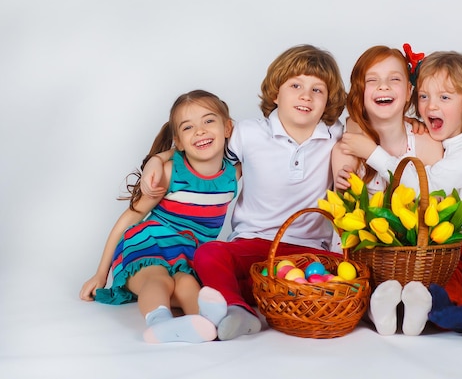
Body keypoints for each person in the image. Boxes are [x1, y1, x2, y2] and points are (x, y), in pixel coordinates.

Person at [141, 44, 347, 340]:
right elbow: (199, 151)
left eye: (318, 90)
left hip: (309, 251)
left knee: (340, 273)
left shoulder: (335, 135)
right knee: (209, 254)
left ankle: (252, 299)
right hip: (253, 243)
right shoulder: (248, 133)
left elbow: (364, 131)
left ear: (327, 102)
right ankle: (238, 310)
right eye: (296, 85)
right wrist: (157, 159)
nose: (306, 95)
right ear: (276, 94)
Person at [339, 49, 462, 338]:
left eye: (444, 98)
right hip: (453, 245)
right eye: (424, 97)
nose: (430, 106)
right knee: (444, 279)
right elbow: (358, 119)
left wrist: (373, 154)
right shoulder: (435, 140)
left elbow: (427, 184)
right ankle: (439, 310)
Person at [79, 90, 241, 344]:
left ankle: (207, 323)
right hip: (148, 243)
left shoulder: (233, 174)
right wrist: (101, 273)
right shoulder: (169, 172)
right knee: (159, 279)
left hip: (188, 252)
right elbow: (130, 218)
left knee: (186, 282)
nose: (200, 131)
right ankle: (160, 324)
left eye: (209, 121)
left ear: (228, 127)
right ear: (178, 140)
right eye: (189, 127)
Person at [331, 45, 443, 336]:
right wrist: (343, 185)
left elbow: (434, 201)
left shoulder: (427, 143)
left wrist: (373, 153)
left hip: (417, 258)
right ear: (360, 92)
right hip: (368, 259)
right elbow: (344, 223)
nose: (383, 86)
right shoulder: (348, 146)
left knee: (426, 280)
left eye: (394, 79)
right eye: (372, 80)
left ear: (409, 92)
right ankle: (376, 306)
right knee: (354, 283)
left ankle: (414, 303)